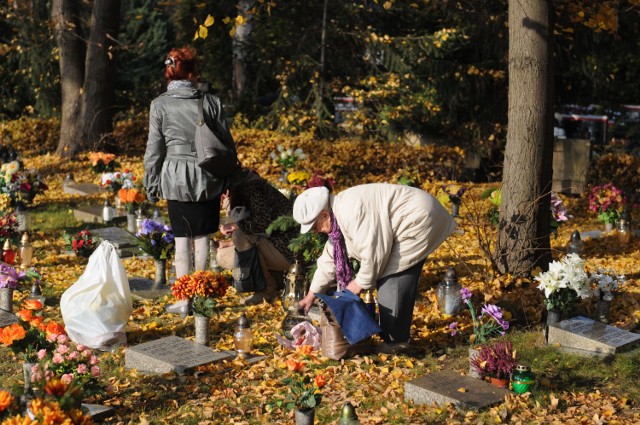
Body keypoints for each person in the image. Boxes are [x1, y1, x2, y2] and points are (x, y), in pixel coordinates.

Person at [293, 183, 456, 353]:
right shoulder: (337, 220)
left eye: (314, 226)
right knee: (387, 277)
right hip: (409, 220)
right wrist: (311, 295)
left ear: (325, 214)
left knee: (393, 279)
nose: (315, 232)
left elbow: (375, 252)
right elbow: (329, 259)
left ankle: (397, 342)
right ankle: (393, 335)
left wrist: (358, 284)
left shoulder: (353, 212)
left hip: (419, 219)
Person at [143, 46, 233, 315]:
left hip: (175, 177)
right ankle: (203, 296)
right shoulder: (212, 102)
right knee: (203, 236)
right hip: (208, 175)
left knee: (182, 237)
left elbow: (154, 149)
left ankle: (183, 299)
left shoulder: (159, 105)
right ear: (194, 72)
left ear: (169, 72)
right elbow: (226, 145)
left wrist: (151, 181)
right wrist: (229, 178)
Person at [216, 168, 296, 305]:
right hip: (282, 246)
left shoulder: (253, 191)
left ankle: (265, 290)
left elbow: (262, 224)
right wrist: (229, 242)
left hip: (289, 252)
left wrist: (237, 225)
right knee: (223, 255)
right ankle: (274, 281)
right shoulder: (252, 188)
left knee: (239, 237)